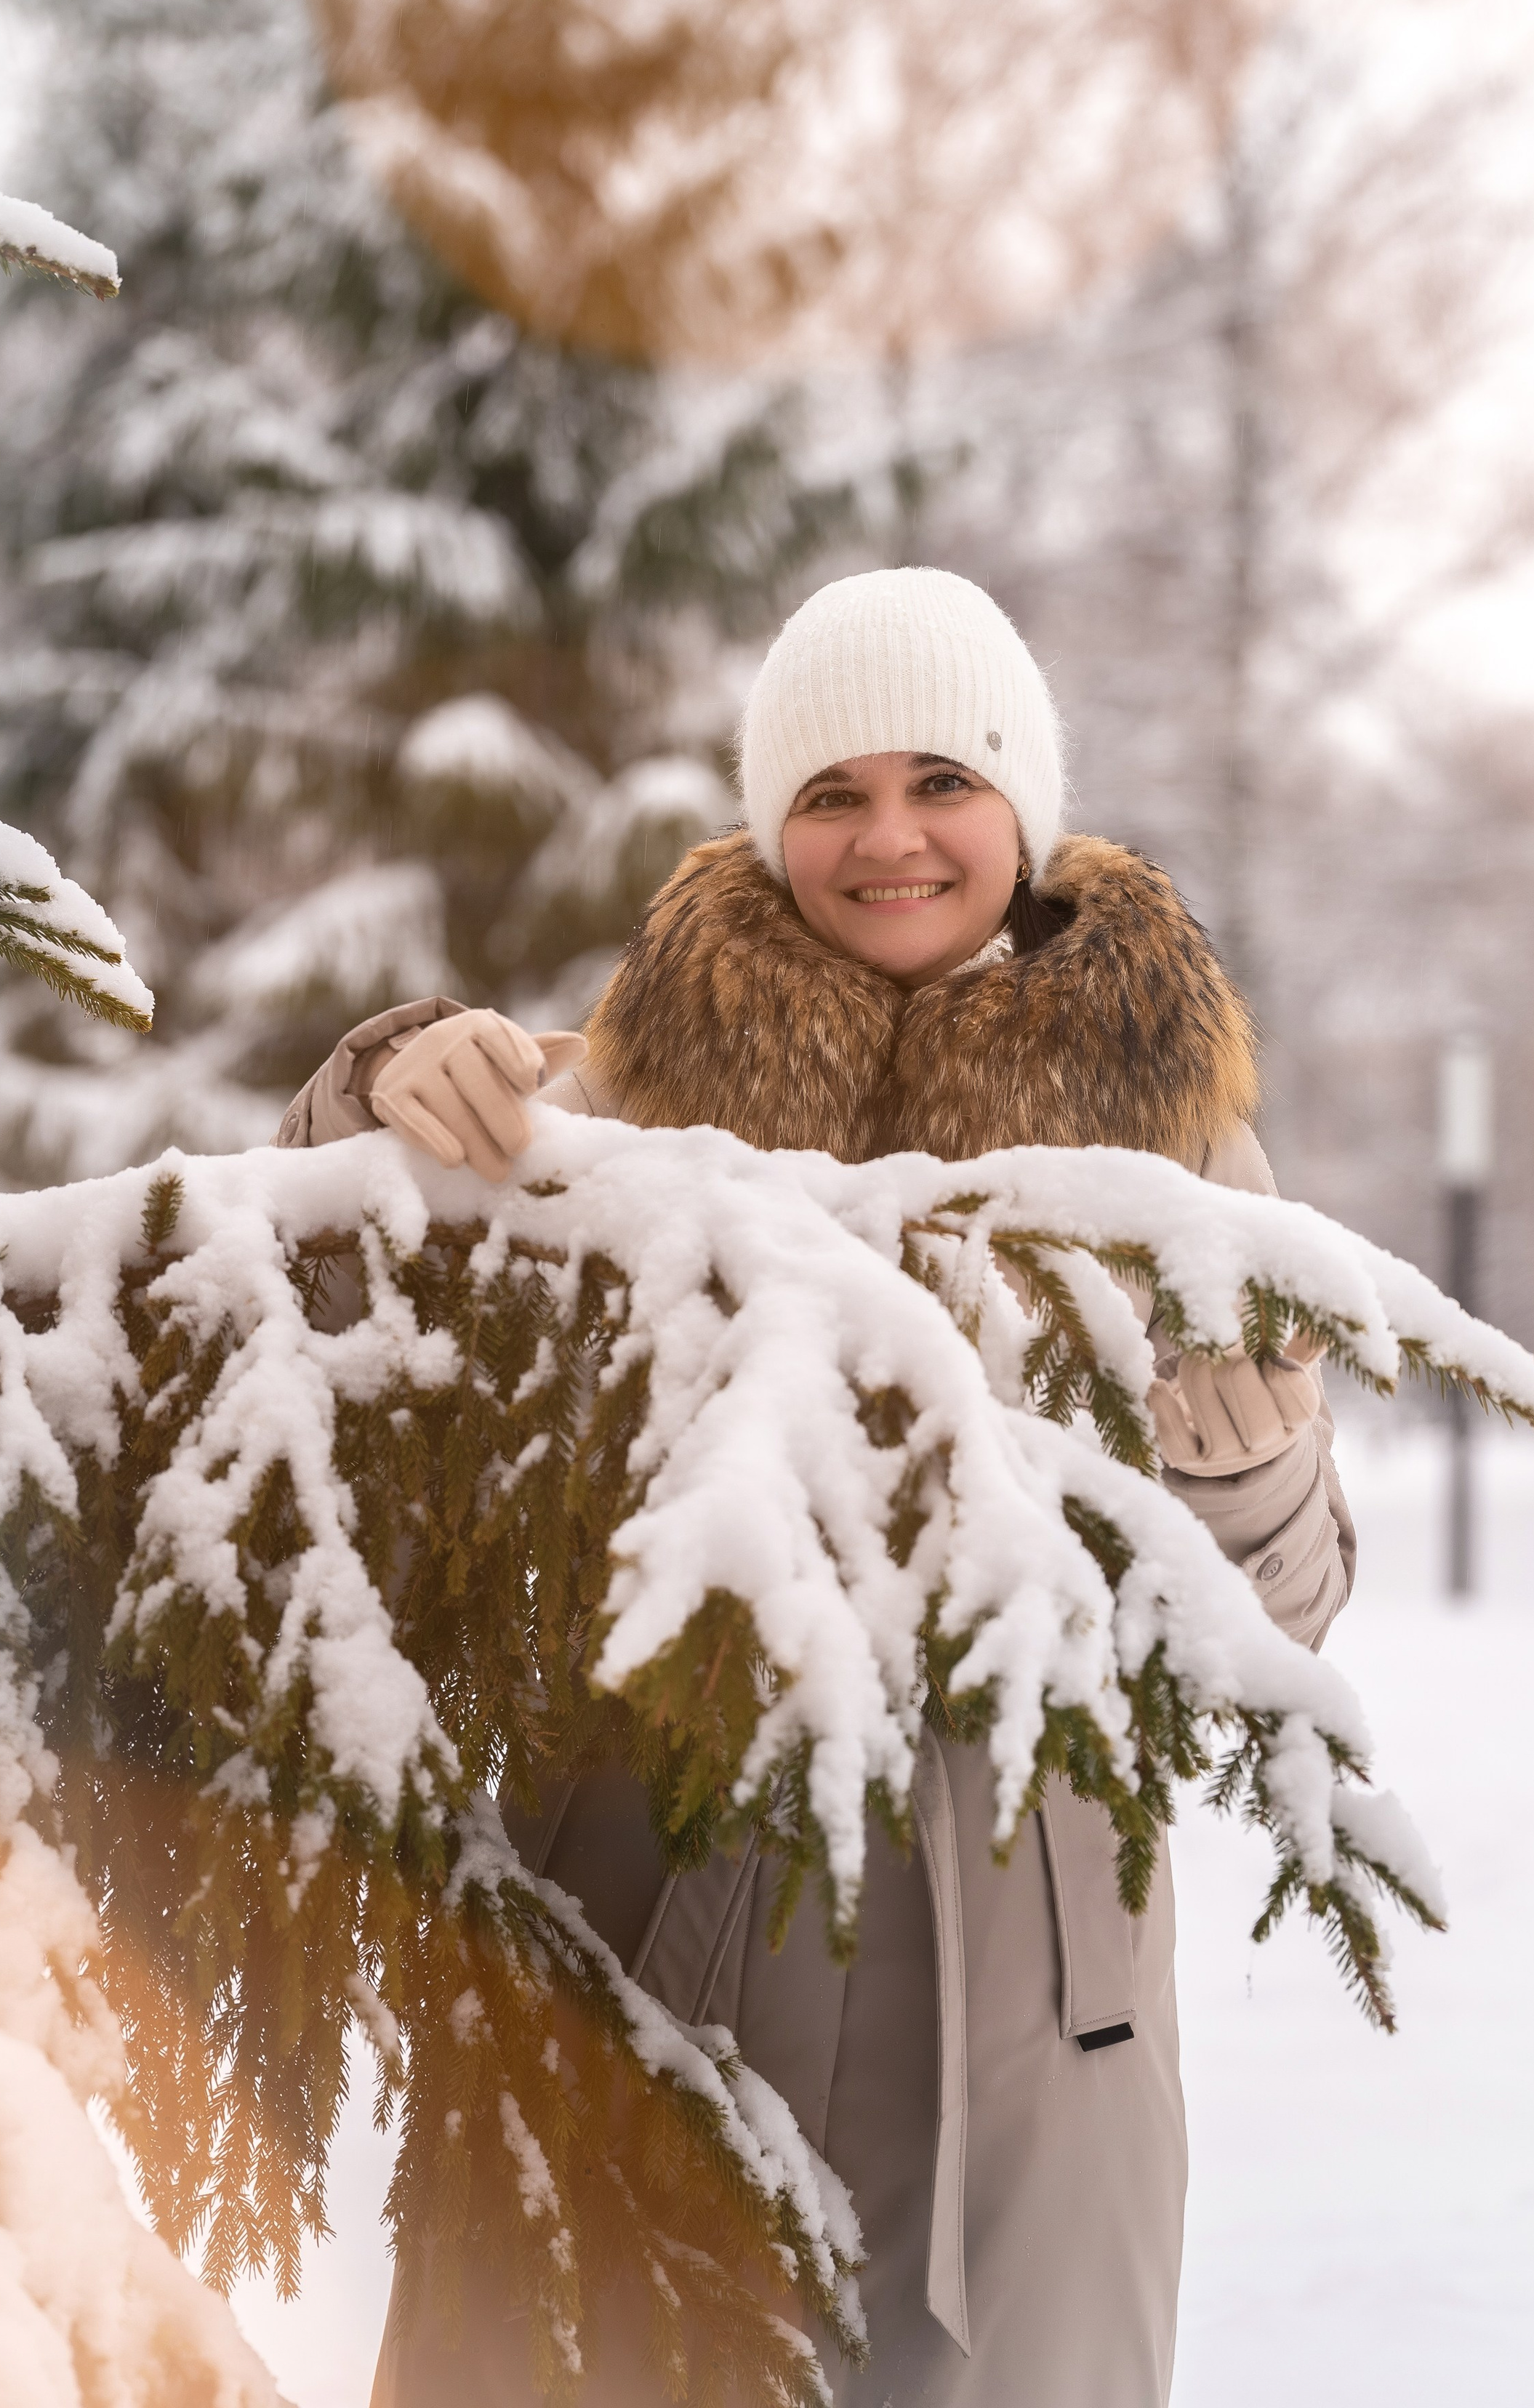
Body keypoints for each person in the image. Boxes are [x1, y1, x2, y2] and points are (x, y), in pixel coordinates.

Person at [279, 567, 1355, 2408]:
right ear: (769, 827)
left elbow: (1265, 1631)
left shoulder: (1174, 1156)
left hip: (1034, 2034)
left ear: (1022, 806)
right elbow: (304, 1338)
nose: (890, 839)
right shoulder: (603, 1105)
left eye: (941, 780)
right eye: (832, 795)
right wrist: (372, 1089)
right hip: (642, 1967)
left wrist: (1253, 1468)